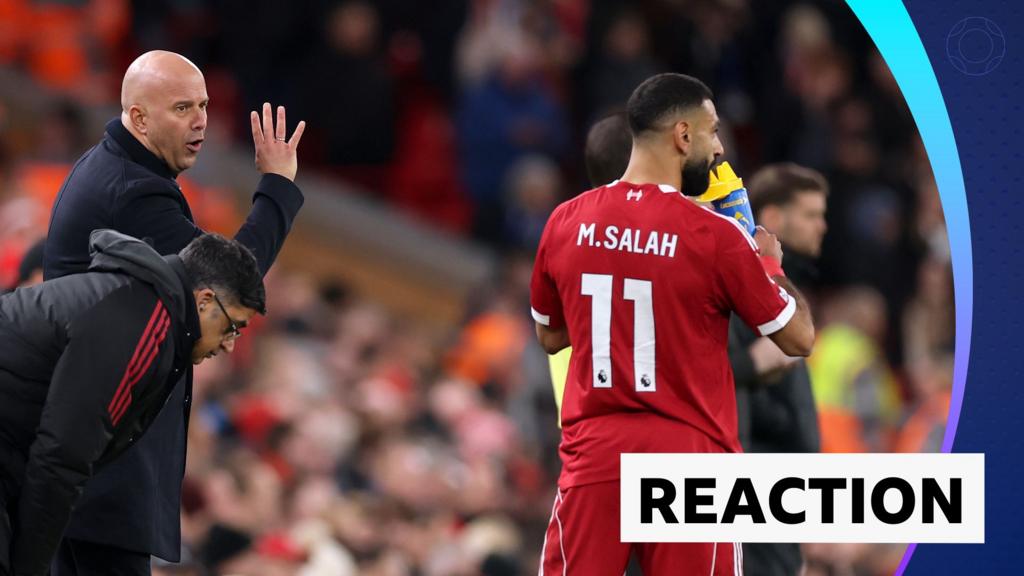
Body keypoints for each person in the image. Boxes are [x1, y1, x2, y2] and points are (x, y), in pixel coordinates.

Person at [530, 73, 815, 574]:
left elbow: (551, 336)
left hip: (595, 453)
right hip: (689, 456)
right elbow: (798, 338)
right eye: (713, 132)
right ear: (683, 135)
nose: (719, 148)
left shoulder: (566, 221)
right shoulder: (715, 236)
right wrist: (768, 263)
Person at [43, 50, 305, 575]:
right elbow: (230, 280)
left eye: (203, 105)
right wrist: (277, 186)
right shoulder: (132, 192)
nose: (200, 120)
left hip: (84, 454)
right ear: (139, 119)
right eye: (183, 108)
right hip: (99, 460)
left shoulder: (122, 171)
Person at [0, 231, 265, 576]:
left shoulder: (144, 305)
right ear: (204, 301)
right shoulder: (139, 322)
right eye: (232, 327)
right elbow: (62, 457)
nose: (230, 345)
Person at [732, 163, 829, 576]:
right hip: (754, 489)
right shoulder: (749, 289)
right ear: (772, 216)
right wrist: (752, 366)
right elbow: (726, 380)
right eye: (810, 214)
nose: (822, 226)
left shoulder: (786, 284)